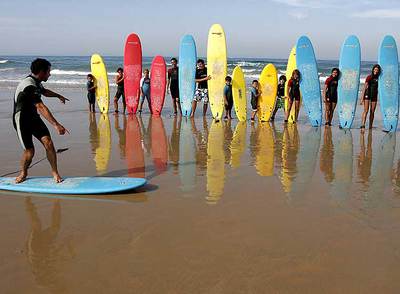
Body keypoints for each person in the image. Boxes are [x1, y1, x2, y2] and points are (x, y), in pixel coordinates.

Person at [13, 58, 69, 184]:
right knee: (30, 151)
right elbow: (40, 106)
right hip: (21, 120)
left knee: (48, 143)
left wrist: (58, 95)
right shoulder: (28, 85)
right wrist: (56, 125)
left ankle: (55, 172)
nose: (50, 74)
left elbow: (44, 92)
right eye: (48, 71)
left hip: (33, 118)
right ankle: (23, 173)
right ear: (42, 72)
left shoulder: (37, 82)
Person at [360, 64, 381, 130]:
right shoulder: (369, 77)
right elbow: (364, 87)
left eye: (377, 70)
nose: (376, 71)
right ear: (373, 70)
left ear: (379, 71)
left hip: (374, 95)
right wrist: (362, 98)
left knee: (372, 111)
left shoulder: (379, 78)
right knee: (366, 110)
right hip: (367, 94)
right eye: (375, 69)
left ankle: (370, 126)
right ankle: (363, 125)